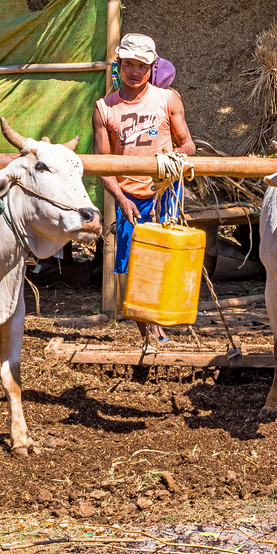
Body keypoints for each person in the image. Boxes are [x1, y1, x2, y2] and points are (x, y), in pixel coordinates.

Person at [92, 33, 196, 349]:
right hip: (129, 197)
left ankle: (161, 327)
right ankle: (149, 335)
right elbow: (102, 164)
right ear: (118, 67)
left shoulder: (168, 99)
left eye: (141, 66)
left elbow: (187, 142)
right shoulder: (104, 108)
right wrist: (121, 199)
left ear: (152, 66)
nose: (134, 72)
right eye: (128, 66)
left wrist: (180, 157)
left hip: (165, 192)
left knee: (165, 259)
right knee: (135, 266)